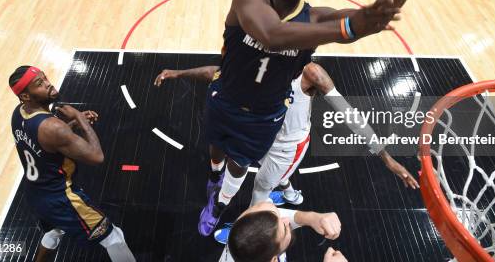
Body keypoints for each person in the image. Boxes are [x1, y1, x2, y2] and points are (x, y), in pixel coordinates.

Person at [196, 0, 464, 236]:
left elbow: (378, 12)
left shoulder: (315, 18)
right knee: (216, 147)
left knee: (240, 164)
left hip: (263, 114)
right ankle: (213, 175)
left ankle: (219, 205)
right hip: (225, 96)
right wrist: (350, 26)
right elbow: (272, 34)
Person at [156, 62, 418, 244]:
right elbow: (217, 73)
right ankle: (289, 193)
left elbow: (348, 113)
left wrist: (386, 157)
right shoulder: (262, 63)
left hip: (287, 147)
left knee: (259, 193)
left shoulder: (311, 73)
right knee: (252, 165)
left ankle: (242, 229)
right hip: (263, 134)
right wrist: (178, 73)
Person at [8, 66, 136, 262]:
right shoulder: (53, 127)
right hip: (62, 198)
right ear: (25, 96)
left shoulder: (19, 113)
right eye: (39, 84)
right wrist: (78, 117)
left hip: (35, 194)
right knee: (113, 236)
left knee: (53, 233)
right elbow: (96, 156)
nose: (48, 83)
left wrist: (73, 126)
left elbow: (47, 143)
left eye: (45, 78)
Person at [219, 201, 348, 262]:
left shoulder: (245, 225)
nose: (286, 220)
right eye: (285, 229)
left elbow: (267, 208)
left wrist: (311, 217)